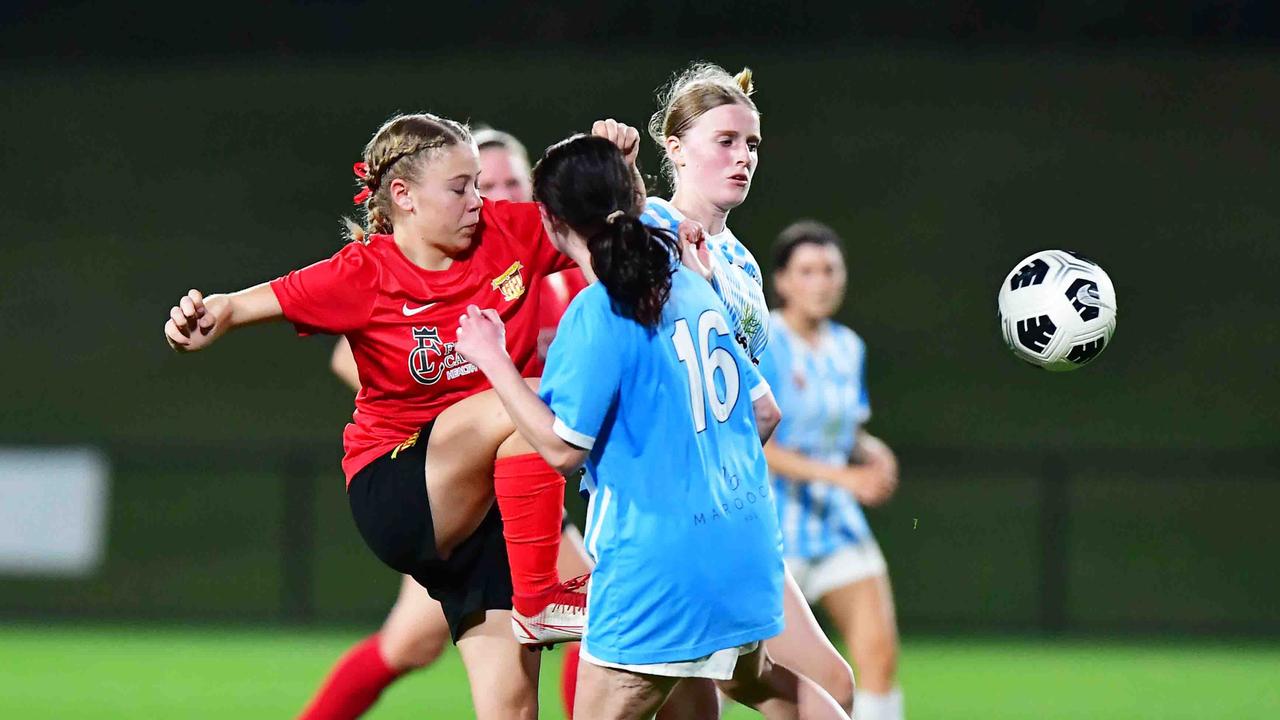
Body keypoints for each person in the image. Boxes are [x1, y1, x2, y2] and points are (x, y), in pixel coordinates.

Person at [163, 112, 644, 719]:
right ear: (404, 197)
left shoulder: (507, 233)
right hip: (397, 490)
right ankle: (543, 592)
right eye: (462, 186)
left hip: (482, 520)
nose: (480, 199)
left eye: (481, 183)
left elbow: (607, 231)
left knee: (514, 706)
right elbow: (240, 304)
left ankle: (541, 594)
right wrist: (201, 318)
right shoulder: (363, 272)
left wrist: (617, 172)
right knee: (528, 397)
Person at [455, 133, 848, 720]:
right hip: (745, 544)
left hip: (657, 570)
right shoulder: (691, 280)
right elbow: (765, 412)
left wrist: (493, 359)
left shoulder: (595, 311)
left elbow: (561, 450)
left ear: (550, 220)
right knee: (764, 685)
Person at [301, 127, 592, 720]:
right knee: (589, 613)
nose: (497, 195)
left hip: (512, 468)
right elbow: (345, 355)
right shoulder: (464, 265)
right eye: (485, 183)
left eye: (514, 182)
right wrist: (441, 425)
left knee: (440, 646)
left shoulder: (565, 282)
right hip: (457, 469)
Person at [639, 62, 857, 713]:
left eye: (752, 143)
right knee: (697, 706)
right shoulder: (648, 230)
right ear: (674, 147)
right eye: (726, 141)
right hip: (671, 511)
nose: (744, 158)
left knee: (829, 685)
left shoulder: (738, 258)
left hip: (739, 508)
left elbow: (748, 395)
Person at [761, 220, 904, 720]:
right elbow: (761, 448)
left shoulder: (848, 347)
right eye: (807, 271)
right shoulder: (764, 343)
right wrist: (846, 478)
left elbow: (843, 434)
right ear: (781, 282)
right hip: (772, 532)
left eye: (830, 270)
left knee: (879, 659)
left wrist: (872, 452)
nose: (820, 282)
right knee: (757, 680)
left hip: (837, 527)